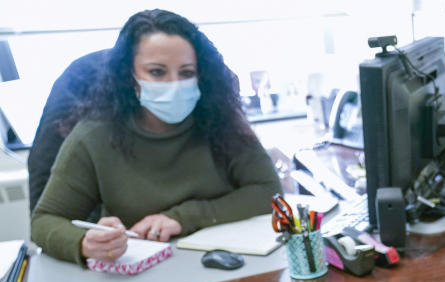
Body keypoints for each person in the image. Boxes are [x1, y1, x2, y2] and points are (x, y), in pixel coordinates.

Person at [30, 9, 281, 265]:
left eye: (186, 73)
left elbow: (268, 189)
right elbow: (44, 221)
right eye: (157, 72)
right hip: (140, 273)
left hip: (229, 263)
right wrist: (84, 242)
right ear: (130, 76)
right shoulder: (93, 136)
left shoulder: (220, 121)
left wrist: (182, 217)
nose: (174, 84)